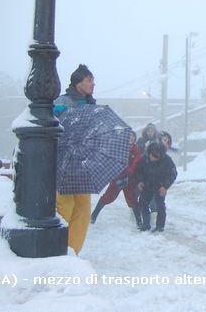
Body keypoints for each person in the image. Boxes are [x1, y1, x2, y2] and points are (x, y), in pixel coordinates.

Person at [53, 63, 96, 254]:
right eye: (89, 80)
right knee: (65, 205)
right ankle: (58, 247)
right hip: (64, 159)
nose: (92, 84)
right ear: (78, 83)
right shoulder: (62, 102)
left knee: (83, 208)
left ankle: (72, 251)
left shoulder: (91, 105)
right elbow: (55, 125)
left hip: (82, 161)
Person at [90, 130, 142, 227]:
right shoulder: (119, 148)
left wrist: (129, 171)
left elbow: (136, 162)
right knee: (108, 196)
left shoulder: (136, 150)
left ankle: (139, 222)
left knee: (132, 199)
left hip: (130, 179)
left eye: (133, 137)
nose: (131, 139)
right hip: (118, 177)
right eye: (129, 137)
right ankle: (94, 216)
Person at [135, 141, 177, 232]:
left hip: (160, 185)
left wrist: (165, 186)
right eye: (152, 155)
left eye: (157, 157)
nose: (154, 158)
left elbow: (173, 174)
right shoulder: (144, 159)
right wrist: (140, 181)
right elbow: (138, 171)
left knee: (160, 205)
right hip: (147, 184)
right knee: (143, 202)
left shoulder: (167, 160)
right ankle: (146, 224)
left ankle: (160, 226)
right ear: (149, 152)